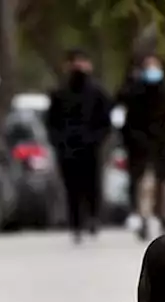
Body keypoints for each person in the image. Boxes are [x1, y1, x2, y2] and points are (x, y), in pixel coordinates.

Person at [117, 53, 165, 240]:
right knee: (144, 185)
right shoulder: (134, 94)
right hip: (142, 148)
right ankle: (144, 218)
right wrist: (135, 139)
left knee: (163, 186)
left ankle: (163, 217)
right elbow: (127, 122)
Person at [46, 48, 113, 243]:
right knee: (71, 188)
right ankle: (76, 223)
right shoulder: (59, 93)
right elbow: (52, 122)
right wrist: (59, 141)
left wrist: (96, 139)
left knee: (92, 185)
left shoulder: (97, 93)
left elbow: (105, 121)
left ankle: (92, 217)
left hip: (91, 148)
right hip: (67, 149)